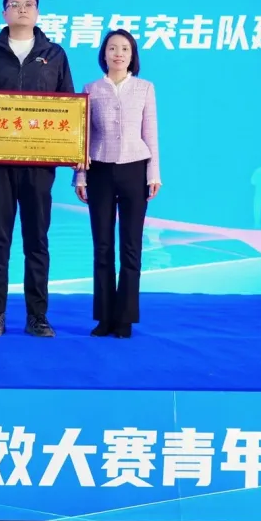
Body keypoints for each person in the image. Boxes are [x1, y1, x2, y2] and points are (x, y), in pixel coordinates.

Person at [0, 0, 73, 337]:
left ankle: (37, 317)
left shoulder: (54, 54)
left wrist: (70, 155)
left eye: (29, 4)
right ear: (4, 13)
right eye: (15, 4)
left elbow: (68, 108)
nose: (22, 9)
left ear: (38, 12)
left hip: (39, 165)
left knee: (36, 241)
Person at [73, 29, 161, 339]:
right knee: (102, 246)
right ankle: (105, 317)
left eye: (124, 48)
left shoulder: (145, 88)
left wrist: (153, 174)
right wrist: (80, 176)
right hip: (99, 168)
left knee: (131, 247)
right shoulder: (91, 89)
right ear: (104, 54)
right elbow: (84, 137)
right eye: (112, 48)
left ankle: (125, 319)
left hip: (135, 168)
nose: (118, 53)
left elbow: (151, 133)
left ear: (132, 55)